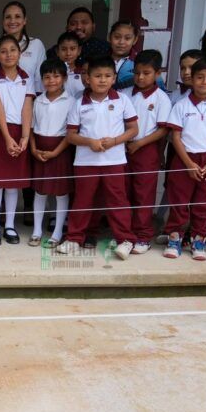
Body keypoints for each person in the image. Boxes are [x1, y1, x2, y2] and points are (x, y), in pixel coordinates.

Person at [55, 57, 139, 260]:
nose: (102, 80)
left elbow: (134, 129)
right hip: (85, 162)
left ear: (114, 78)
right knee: (82, 201)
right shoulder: (78, 104)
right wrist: (90, 142)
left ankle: (125, 240)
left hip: (114, 161)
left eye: (107, 76)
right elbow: (71, 135)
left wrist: (116, 140)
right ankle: (74, 239)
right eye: (97, 76)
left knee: (117, 201)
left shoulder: (122, 100)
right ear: (87, 79)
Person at [161, 58, 206, 261]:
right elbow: (175, 137)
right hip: (185, 158)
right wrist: (189, 163)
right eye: (199, 77)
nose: (204, 82)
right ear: (192, 80)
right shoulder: (181, 105)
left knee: (204, 202)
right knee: (179, 201)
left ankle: (198, 239)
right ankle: (174, 238)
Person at [0, 35, 35, 246]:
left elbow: (27, 107)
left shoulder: (27, 77)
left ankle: (10, 225)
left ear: (19, 53)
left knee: (13, 185)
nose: (8, 54)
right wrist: (7, 137)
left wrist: (24, 136)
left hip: (19, 132)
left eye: (13, 50)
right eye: (3, 51)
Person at [120, 50, 172, 254]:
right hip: (123, 147)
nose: (141, 77)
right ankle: (125, 234)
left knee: (144, 194)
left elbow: (163, 129)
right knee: (124, 192)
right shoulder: (124, 95)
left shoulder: (161, 98)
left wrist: (139, 144)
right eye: (137, 72)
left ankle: (143, 236)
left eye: (147, 73)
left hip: (147, 149)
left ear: (157, 74)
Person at [29, 58, 75, 247]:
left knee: (61, 193)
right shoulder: (37, 101)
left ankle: (56, 233)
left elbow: (70, 132)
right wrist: (33, 148)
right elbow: (31, 128)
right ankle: (37, 231)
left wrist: (56, 152)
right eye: (47, 77)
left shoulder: (71, 101)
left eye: (56, 76)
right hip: (39, 148)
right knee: (40, 191)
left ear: (64, 78)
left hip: (61, 149)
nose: (51, 81)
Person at [0, 2, 47, 91]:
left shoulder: (36, 45)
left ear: (25, 20)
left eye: (17, 16)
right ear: (3, 21)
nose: (12, 21)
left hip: (30, 101)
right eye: (8, 17)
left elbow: (40, 80)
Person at [109, 20, 140, 90]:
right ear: (109, 37)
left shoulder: (141, 62)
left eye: (127, 38)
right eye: (117, 37)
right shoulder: (100, 60)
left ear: (135, 40)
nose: (121, 42)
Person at [56, 31, 86, 98]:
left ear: (79, 51)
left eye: (72, 49)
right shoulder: (53, 74)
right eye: (63, 49)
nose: (68, 53)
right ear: (57, 51)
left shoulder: (83, 73)